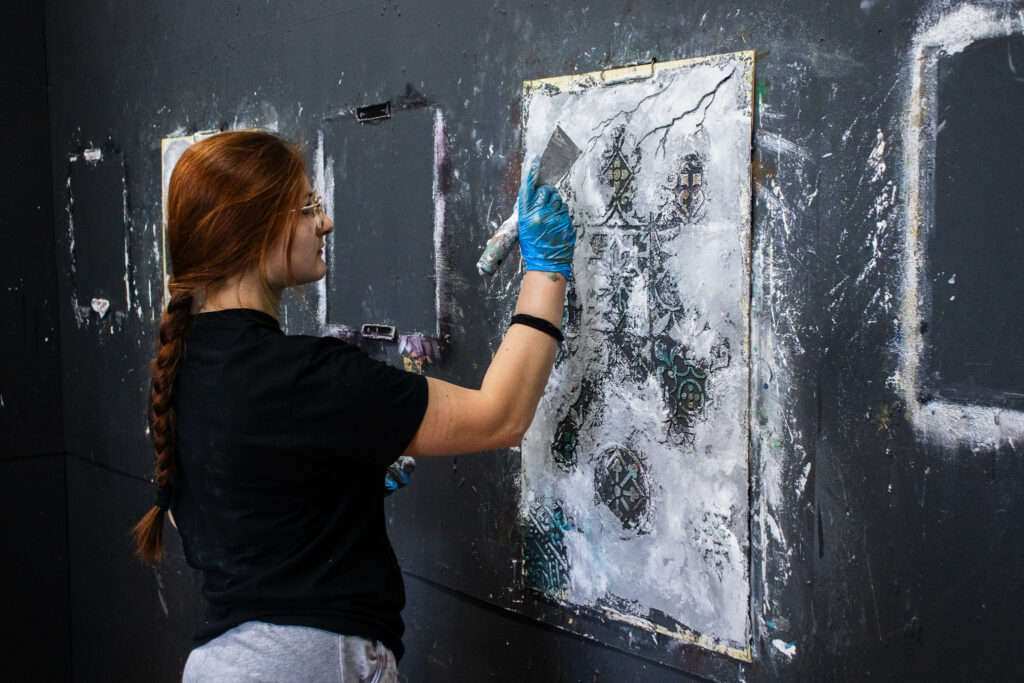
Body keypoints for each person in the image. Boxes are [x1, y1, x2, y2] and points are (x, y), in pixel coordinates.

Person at [131, 130, 575, 682]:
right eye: (307, 208)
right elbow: (500, 415)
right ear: (253, 230)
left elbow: (197, 509)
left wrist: (324, 493)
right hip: (308, 664)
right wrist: (547, 270)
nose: (326, 222)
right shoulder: (306, 376)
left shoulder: (180, 364)